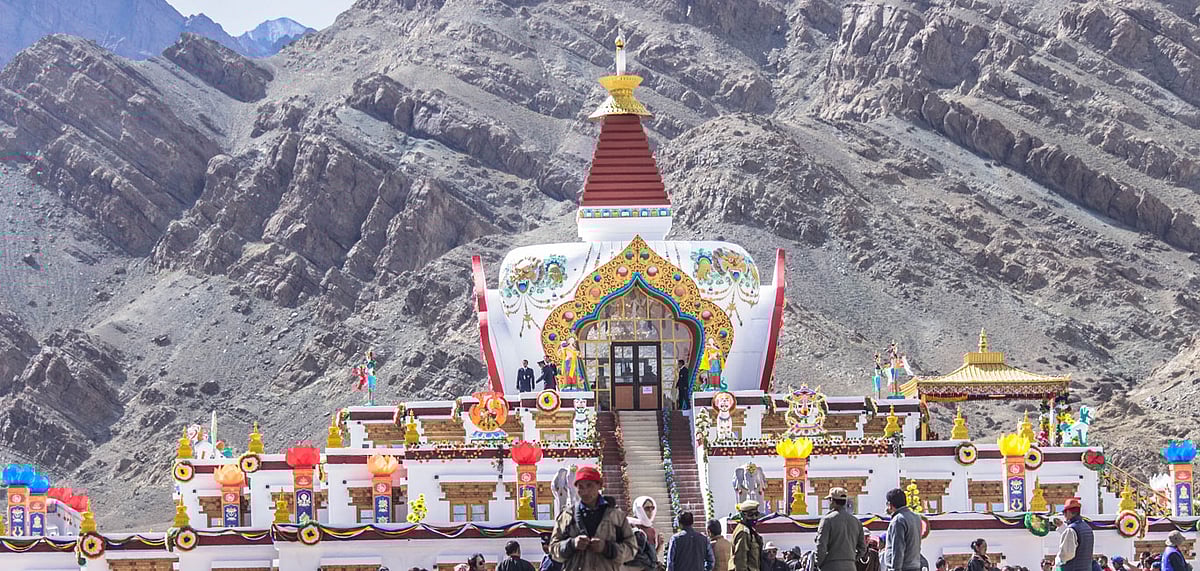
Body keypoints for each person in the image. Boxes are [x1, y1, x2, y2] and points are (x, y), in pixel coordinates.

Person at [548, 465, 637, 571]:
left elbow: (631, 549)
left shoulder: (616, 516)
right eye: (580, 487)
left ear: (599, 485)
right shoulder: (567, 516)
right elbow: (553, 549)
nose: (585, 491)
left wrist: (607, 548)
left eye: (589, 485)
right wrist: (571, 544)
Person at [816, 487, 867, 571]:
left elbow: (821, 546)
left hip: (831, 566)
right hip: (851, 566)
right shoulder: (856, 521)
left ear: (832, 500)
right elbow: (862, 549)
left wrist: (819, 563)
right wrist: (851, 559)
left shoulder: (827, 520)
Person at [883, 488, 922, 571]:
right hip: (915, 565)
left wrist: (895, 569)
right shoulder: (916, 517)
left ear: (890, 504)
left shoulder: (898, 520)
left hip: (903, 567)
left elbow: (898, 549)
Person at [1055, 498, 1094, 571]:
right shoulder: (1087, 528)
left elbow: (1067, 554)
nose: (1064, 516)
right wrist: (1062, 527)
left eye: (1064, 513)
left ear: (1069, 512)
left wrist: (1057, 562)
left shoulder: (1071, 530)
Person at [733, 500, 765, 571]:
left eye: (756, 514)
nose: (754, 517)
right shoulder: (743, 532)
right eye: (750, 515)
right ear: (742, 515)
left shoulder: (750, 531)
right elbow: (740, 561)